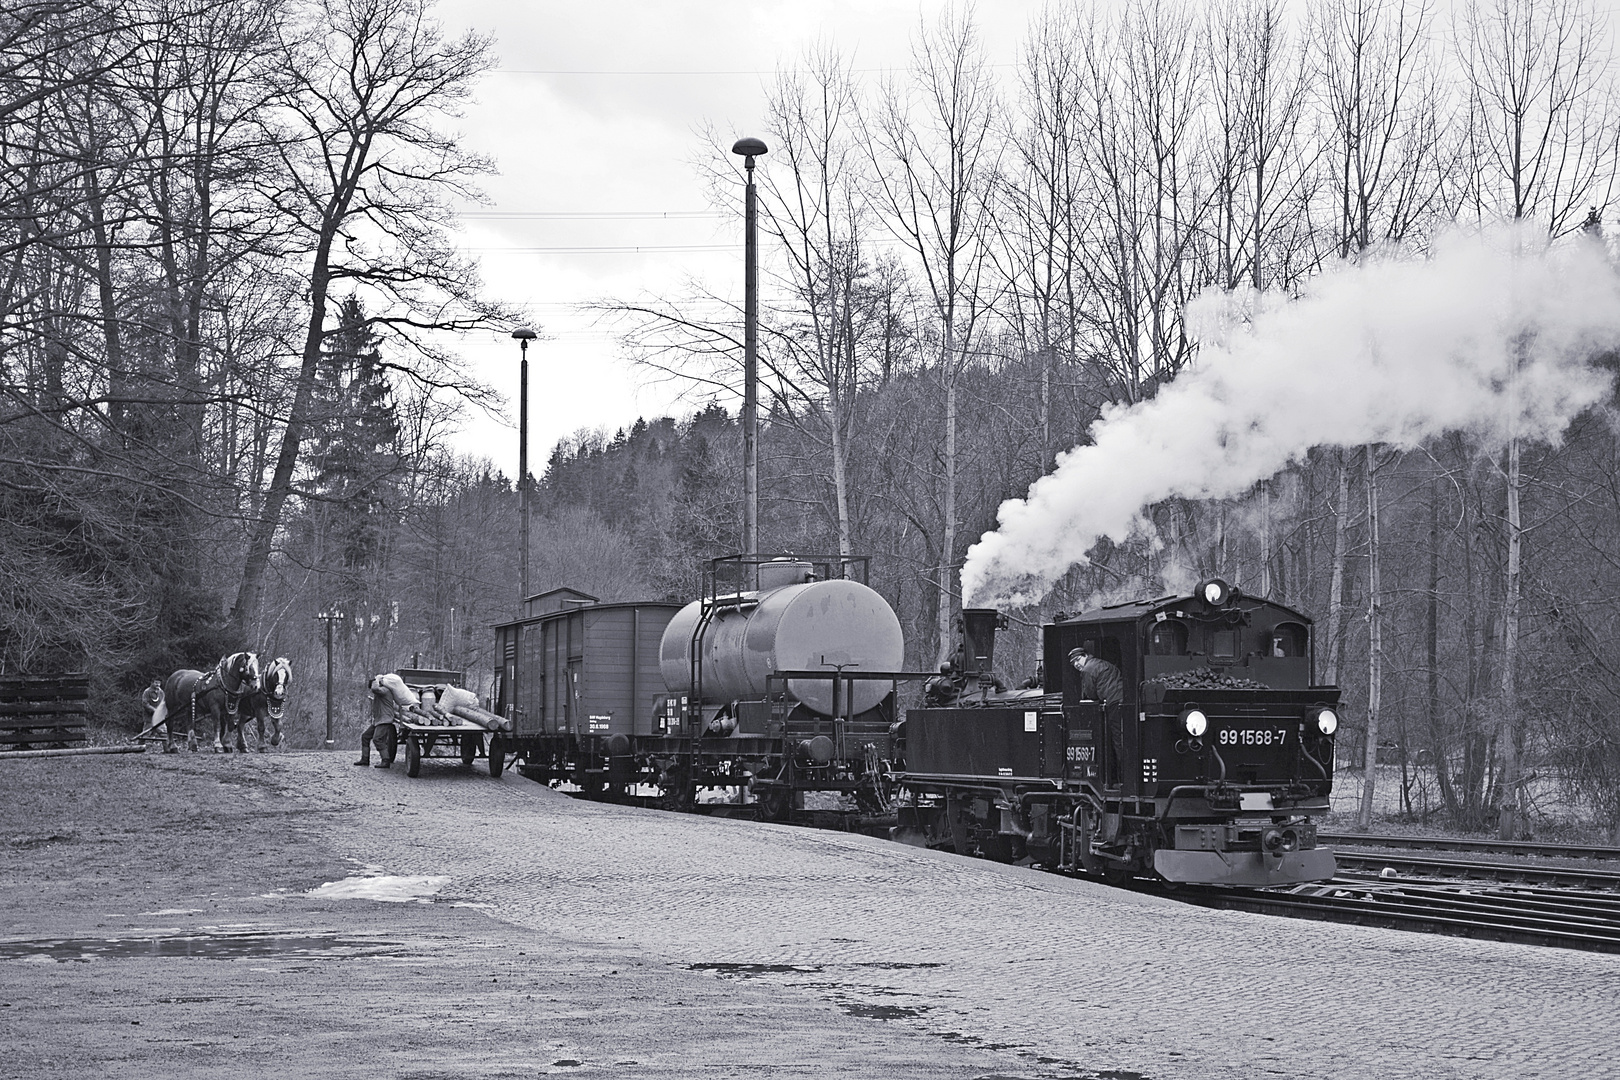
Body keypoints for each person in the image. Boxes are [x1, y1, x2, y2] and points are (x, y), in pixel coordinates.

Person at [1068, 643, 1125, 781]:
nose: (1076, 664)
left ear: (1085, 656)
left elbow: (1091, 693)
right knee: (1121, 739)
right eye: (1073, 663)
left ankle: (1122, 776)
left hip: (1113, 702)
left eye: (1077, 660)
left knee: (1117, 740)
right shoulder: (1102, 663)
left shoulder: (1088, 669)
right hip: (1122, 700)